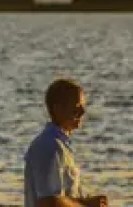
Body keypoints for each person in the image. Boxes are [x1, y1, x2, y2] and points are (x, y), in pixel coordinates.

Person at [24, 78, 108, 207]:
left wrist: (85, 201)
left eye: (83, 107)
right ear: (58, 109)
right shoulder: (49, 146)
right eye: (76, 107)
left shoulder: (58, 145)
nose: (83, 112)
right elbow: (48, 202)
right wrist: (87, 205)